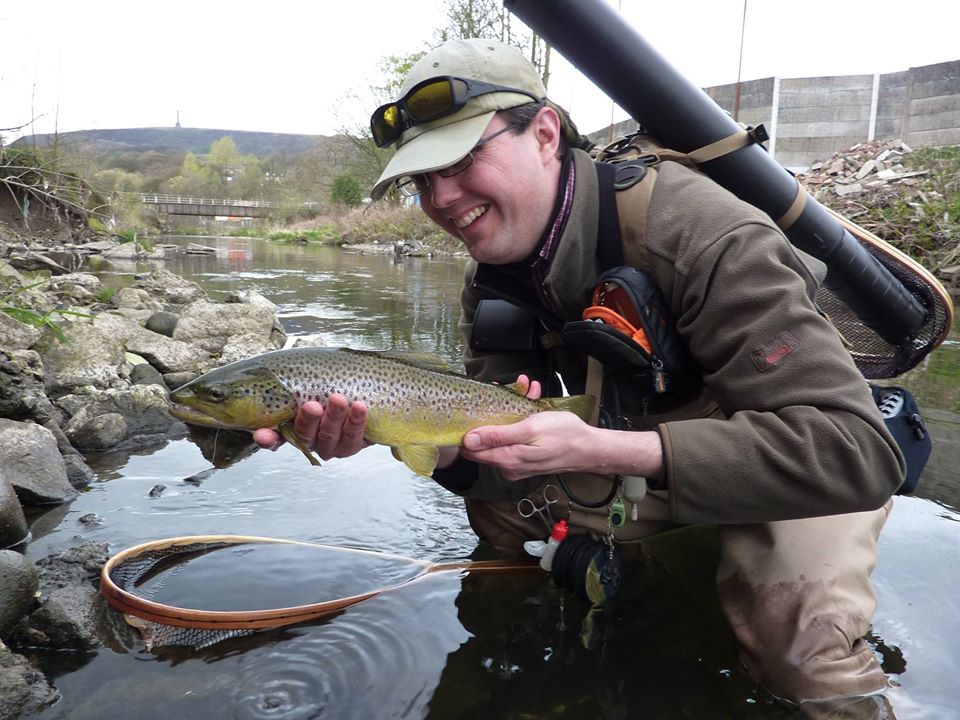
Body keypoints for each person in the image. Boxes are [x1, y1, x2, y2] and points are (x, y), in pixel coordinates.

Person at [254, 39, 906, 713]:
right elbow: (493, 464)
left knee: (800, 652)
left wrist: (607, 449)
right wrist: (420, 442)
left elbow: (855, 454)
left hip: (793, 452)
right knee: (501, 517)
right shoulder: (492, 276)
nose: (441, 198)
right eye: (422, 181)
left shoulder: (704, 233)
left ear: (542, 134)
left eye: (461, 159)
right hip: (644, 442)